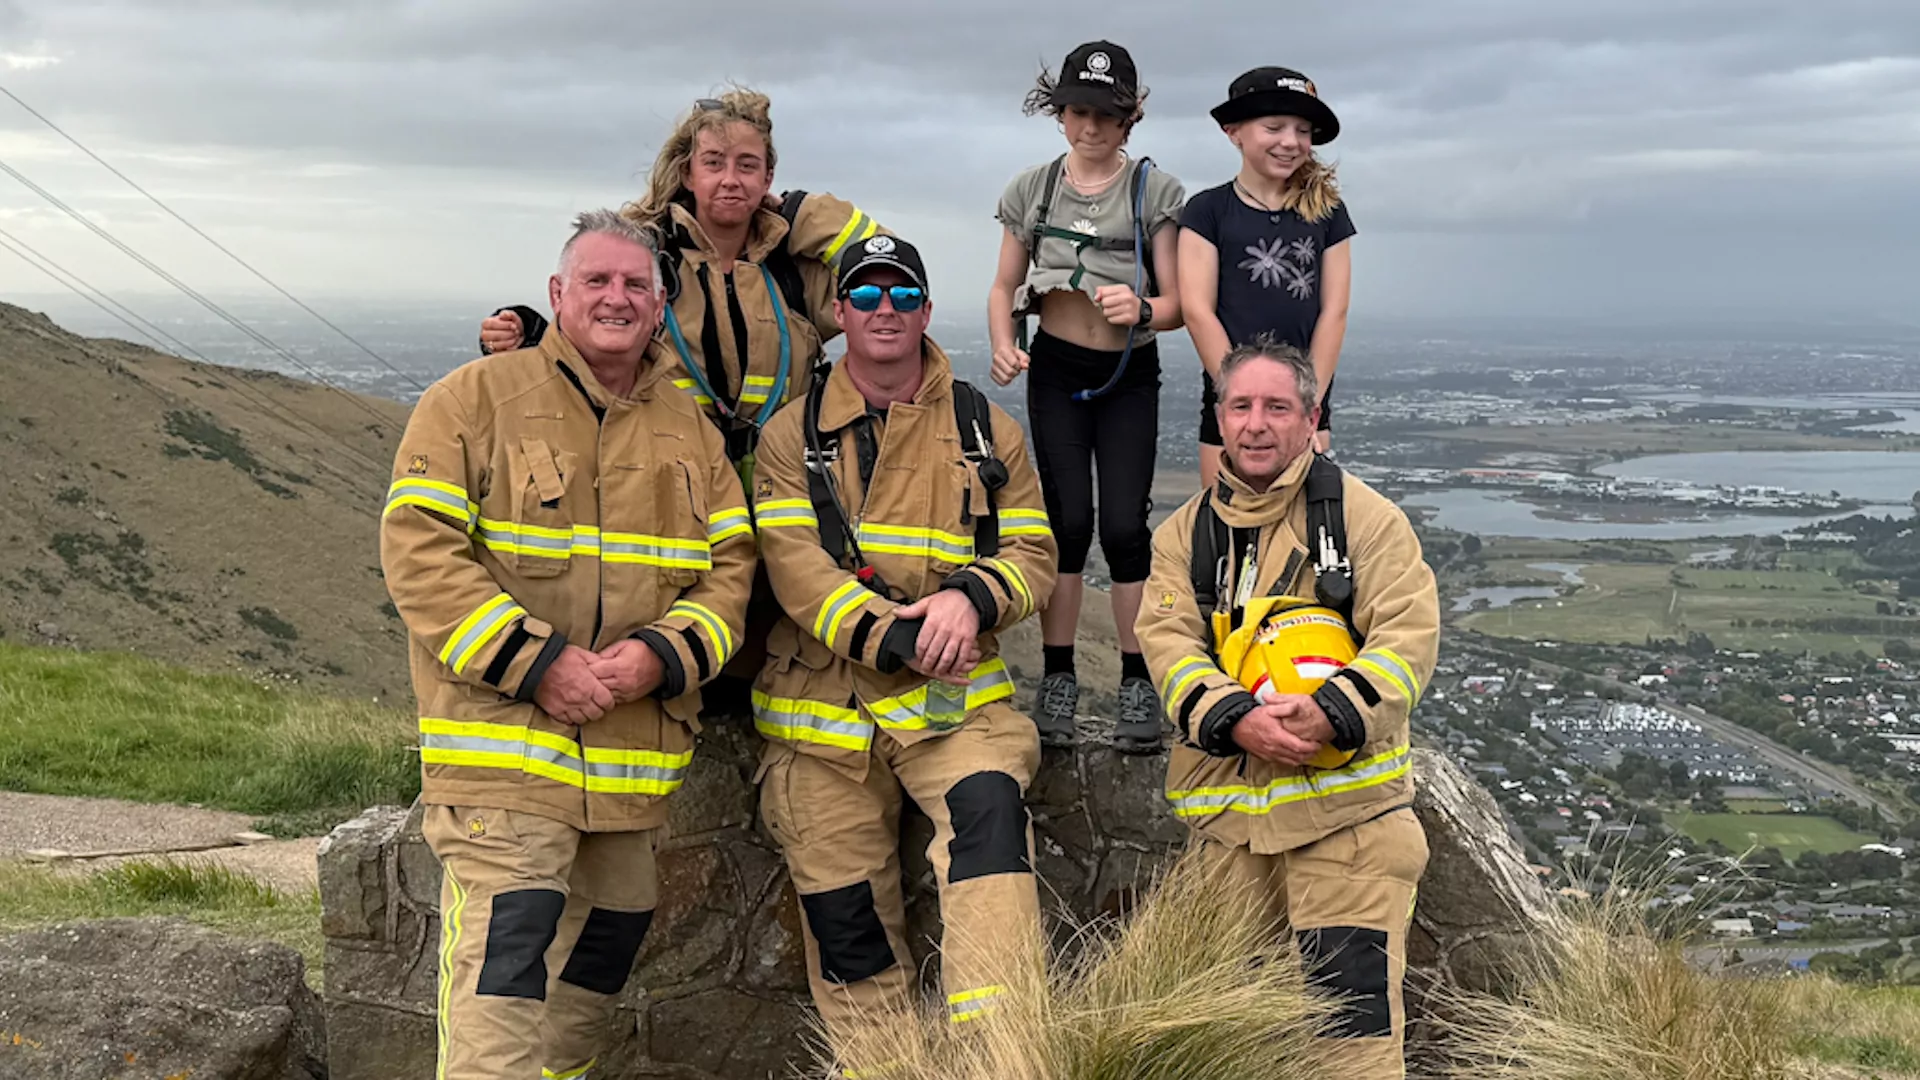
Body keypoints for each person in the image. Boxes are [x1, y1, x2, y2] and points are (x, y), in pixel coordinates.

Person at [382, 210, 755, 1080]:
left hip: (629, 766)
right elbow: (419, 553)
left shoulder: (691, 431)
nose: (616, 299)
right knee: (506, 970)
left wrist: (662, 656)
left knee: (600, 960)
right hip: (504, 756)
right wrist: (539, 665)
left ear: (659, 308)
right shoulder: (474, 399)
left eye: (635, 285)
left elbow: (731, 572)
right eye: (597, 281)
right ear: (558, 295)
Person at [750, 234, 1057, 1071]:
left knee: (991, 827)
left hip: (956, 710)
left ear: (926, 309)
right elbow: (795, 570)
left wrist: (970, 596)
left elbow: (1033, 552)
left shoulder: (983, 426)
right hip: (822, 722)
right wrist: (901, 639)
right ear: (840, 313)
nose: (885, 310)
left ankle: (1000, 1057)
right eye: (867, 295)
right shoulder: (790, 436)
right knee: (846, 927)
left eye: (903, 295)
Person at [479, 90, 879, 690]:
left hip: (783, 476)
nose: (729, 179)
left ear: (770, 177)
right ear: (687, 171)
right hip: (671, 472)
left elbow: (887, 271)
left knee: (771, 636)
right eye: (713, 162)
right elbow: (594, 323)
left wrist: (805, 212)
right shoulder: (649, 253)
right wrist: (530, 330)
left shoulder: (796, 270)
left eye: (748, 166)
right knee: (685, 615)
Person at [1135, 339, 1437, 1077]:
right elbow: (1167, 643)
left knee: (1348, 1051)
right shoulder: (1185, 535)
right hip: (1229, 835)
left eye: (1277, 407)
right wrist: (1233, 716)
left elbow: (1408, 636)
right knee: (1200, 1038)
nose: (1257, 424)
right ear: (1218, 418)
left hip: (1350, 830)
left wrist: (1334, 711)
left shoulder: (1365, 520)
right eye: (1240, 406)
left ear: (1310, 419)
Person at [986, 40, 1185, 753]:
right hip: (1058, 370)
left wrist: (1143, 309)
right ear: (1059, 113)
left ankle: (1138, 678)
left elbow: (1177, 302)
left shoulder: (1153, 193)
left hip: (1128, 370)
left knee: (1127, 530)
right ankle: (1059, 676)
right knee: (1068, 525)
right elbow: (1005, 286)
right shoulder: (1034, 190)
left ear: (1128, 119)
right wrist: (1005, 340)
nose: (1091, 127)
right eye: (1078, 111)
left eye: (1105, 114)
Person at [1180, 67, 1353, 490]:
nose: (1290, 142)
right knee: (1224, 530)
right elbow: (1197, 311)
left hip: (1306, 403)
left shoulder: (1328, 212)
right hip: (1229, 401)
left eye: (1302, 130)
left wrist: (1305, 404)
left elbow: (1335, 311)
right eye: (1273, 127)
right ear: (1233, 132)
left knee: (1303, 534)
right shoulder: (1207, 211)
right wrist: (1238, 396)